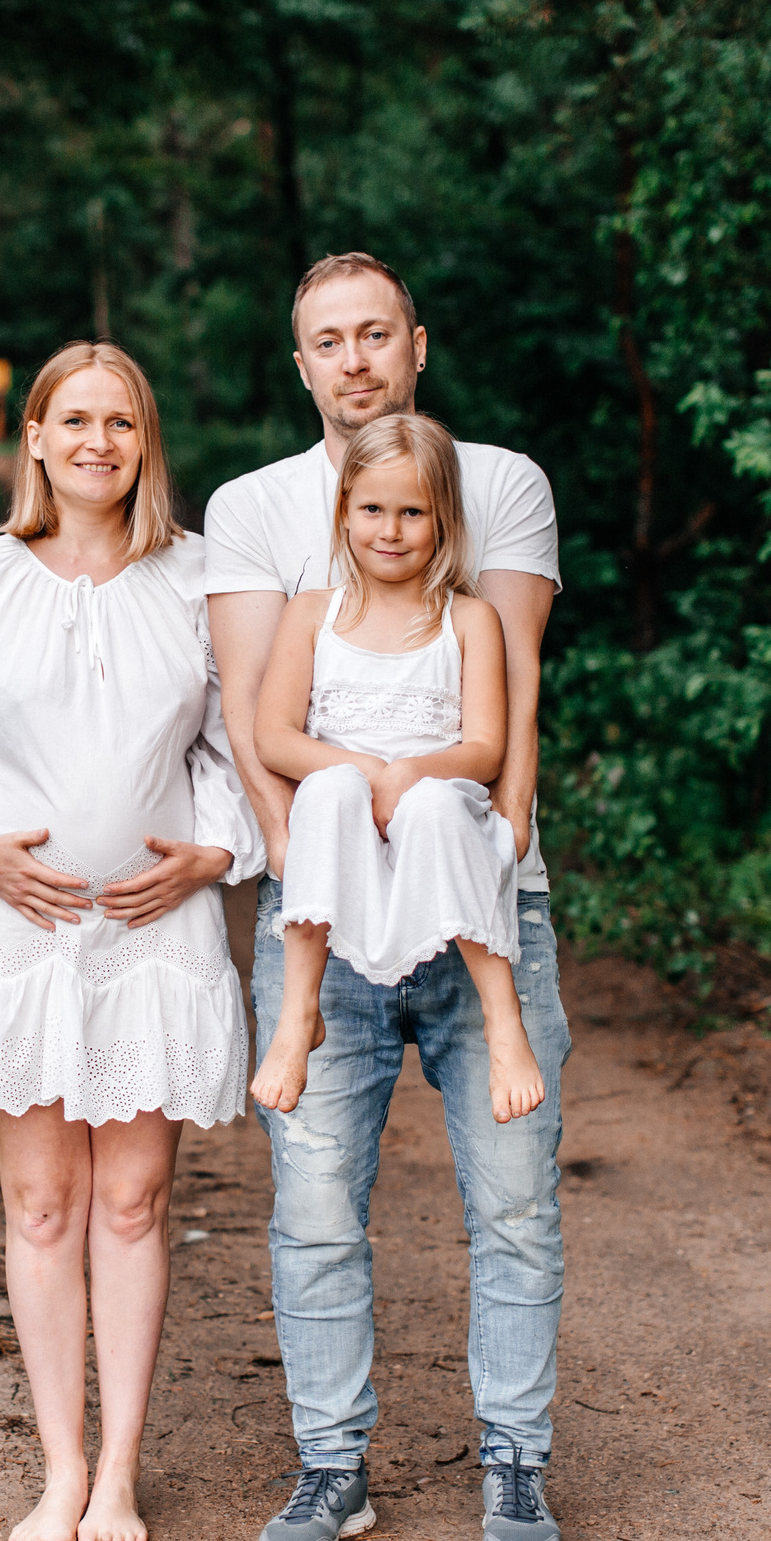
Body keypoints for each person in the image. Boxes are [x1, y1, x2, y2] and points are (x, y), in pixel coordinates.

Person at [204, 253, 571, 1541]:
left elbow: (509, 684)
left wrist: (496, 835)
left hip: (475, 894)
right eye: (326, 341)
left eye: (375, 334)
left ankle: (515, 1465)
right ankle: (331, 1464)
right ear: (297, 364)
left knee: (518, 1202)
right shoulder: (252, 511)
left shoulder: (500, 482)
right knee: (312, 1206)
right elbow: (260, 724)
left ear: (416, 343)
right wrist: (331, 851)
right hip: (327, 906)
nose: (353, 359)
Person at [0, 339, 263, 1541]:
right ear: (34, 437)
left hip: (155, 931)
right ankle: (60, 1467)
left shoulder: (202, 576)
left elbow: (241, 747)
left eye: (123, 422)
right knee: (42, 1205)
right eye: (75, 419)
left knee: (137, 1201)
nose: (99, 441)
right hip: (20, 932)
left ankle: (122, 1473)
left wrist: (217, 852)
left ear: (147, 445)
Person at [250, 413, 545, 1130]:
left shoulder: (469, 619)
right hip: (344, 825)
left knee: (434, 807)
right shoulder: (313, 614)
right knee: (329, 790)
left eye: (413, 512)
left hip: (435, 821)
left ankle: (502, 1021)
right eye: (372, 509)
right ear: (344, 511)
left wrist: (408, 773)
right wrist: (362, 768)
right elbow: (274, 736)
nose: (391, 529)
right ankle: (300, 1015)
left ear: (443, 520)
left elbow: (484, 748)